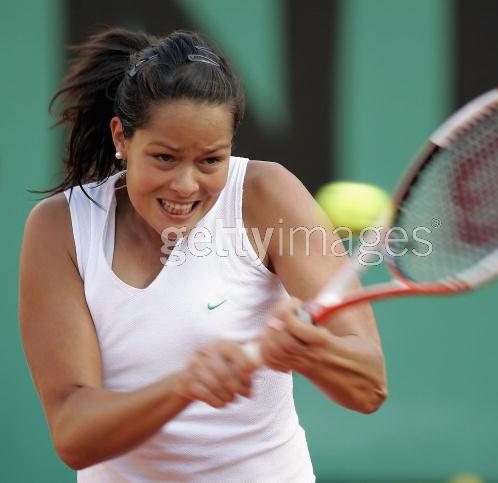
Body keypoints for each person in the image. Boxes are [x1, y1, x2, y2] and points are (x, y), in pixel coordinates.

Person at [19, 28, 387, 482]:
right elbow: (74, 435)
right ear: (122, 137)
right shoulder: (60, 228)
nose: (186, 186)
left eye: (211, 160)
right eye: (165, 158)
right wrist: (184, 386)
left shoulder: (266, 194)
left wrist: (308, 351)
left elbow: (369, 386)